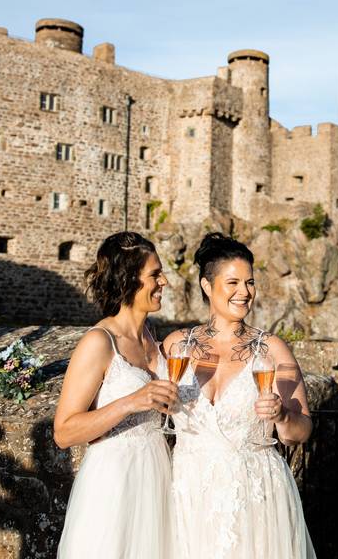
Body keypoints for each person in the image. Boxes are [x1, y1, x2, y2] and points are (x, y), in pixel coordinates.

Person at [167, 232, 316, 558]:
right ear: (207, 286)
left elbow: (300, 430)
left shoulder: (273, 349)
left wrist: (281, 415)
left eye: (249, 283)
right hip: (189, 494)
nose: (244, 292)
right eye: (232, 282)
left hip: (256, 496)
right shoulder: (177, 346)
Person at [53, 232, 178, 558]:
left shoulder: (154, 339)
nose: (164, 281)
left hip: (157, 476)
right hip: (114, 482)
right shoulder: (99, 341)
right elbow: (64, 431)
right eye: (154, 274)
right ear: (127, 280)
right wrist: (131, 402)